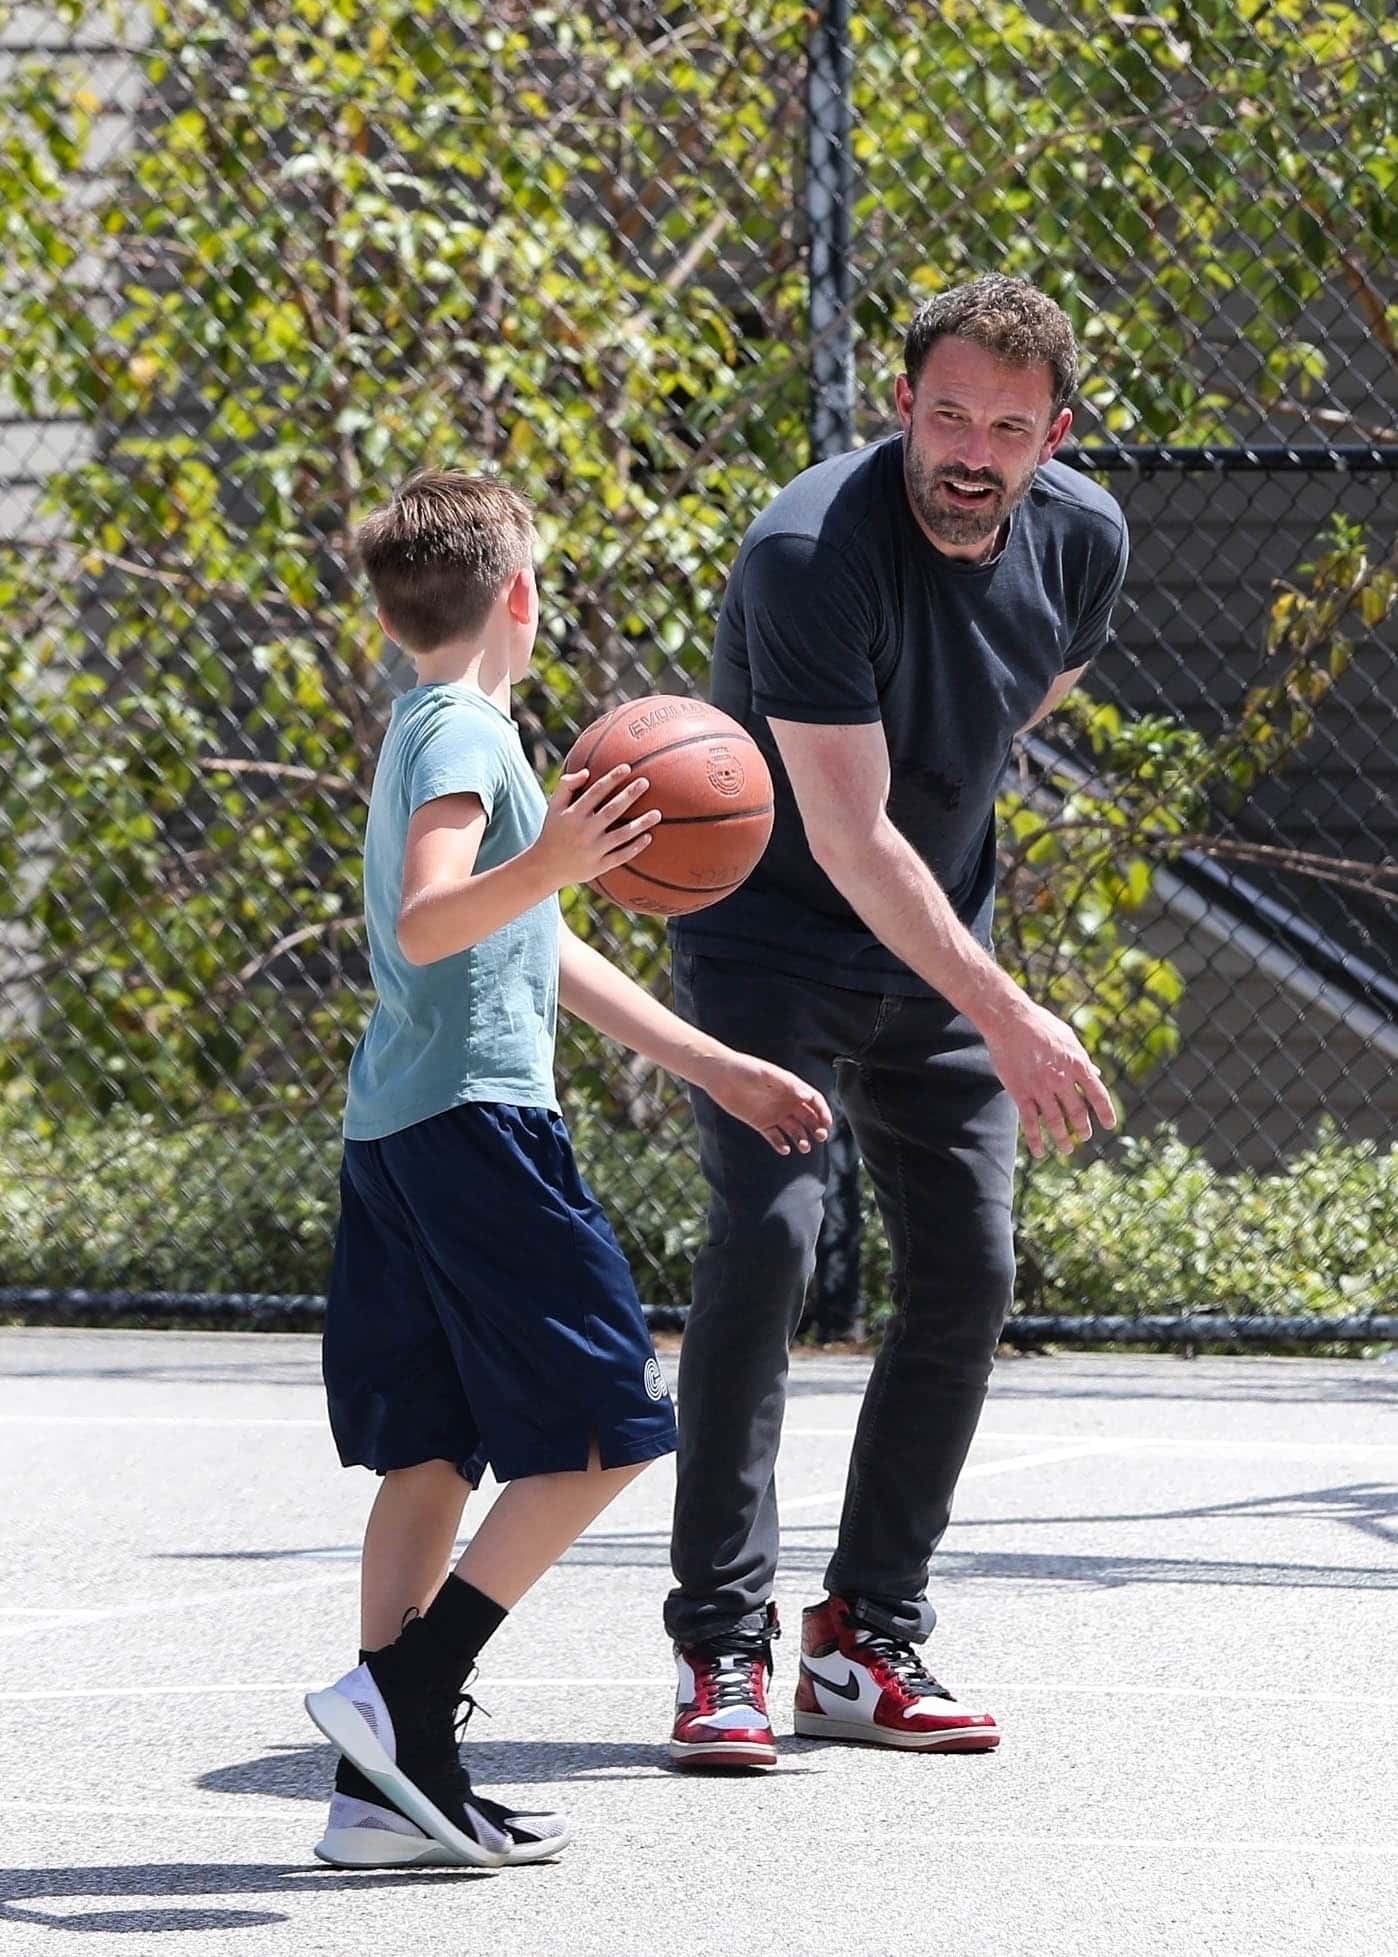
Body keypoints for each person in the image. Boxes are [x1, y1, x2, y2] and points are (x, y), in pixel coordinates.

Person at [303, 471, 831, 1868]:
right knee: (608, 1427)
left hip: (396, 1132)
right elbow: (434, 918)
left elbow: (530, 941)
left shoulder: (423, 719)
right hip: (476, 1128)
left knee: (427, 1452)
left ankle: (384, 1793)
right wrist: (550, 851)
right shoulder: (469, 728)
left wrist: (705, 1058)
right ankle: (403, 1690)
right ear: (519, 597)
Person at [664, 275, 1126, 1769]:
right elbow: (856, 836)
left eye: (1005, 424)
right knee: (772, 1239)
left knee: (971, 1264)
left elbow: (1007, 711)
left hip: (934, 950)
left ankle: (864, 1635)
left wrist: (967, 973)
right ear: (900, 402)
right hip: (772, 949)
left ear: (1052, 435)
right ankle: (722, 1648)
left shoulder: (1084, 539)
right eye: (945, 414)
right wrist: (1009, 1011)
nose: (969, 451)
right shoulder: (809, 554)